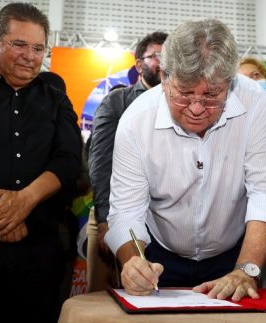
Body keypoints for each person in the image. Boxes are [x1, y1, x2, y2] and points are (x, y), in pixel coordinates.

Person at [105, 18, 266, 301]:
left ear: (230, 82)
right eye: (185, 94)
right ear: (164, 77)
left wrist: (246, 269)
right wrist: (133, 263)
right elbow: (126, 212)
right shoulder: (135, 121)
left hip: (234, 256)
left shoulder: (254, 103)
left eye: (213, 95)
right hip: (160, 258)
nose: (198, 108)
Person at [0, 3, 82, 323]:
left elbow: (69, 160)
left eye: (38, 47)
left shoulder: (55, 96)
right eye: (20, 44)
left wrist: (24, 201)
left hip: (39, 251)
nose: (30, 55)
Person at [87, 31, 168, 291]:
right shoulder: (117, 101)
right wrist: (105, 220)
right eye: (156, 56)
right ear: (138, 65)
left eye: (168, 56)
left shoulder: (184, 105)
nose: (163, 62)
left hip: (159, 224)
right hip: (112, 214)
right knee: (102, 299)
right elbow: (100, 162)